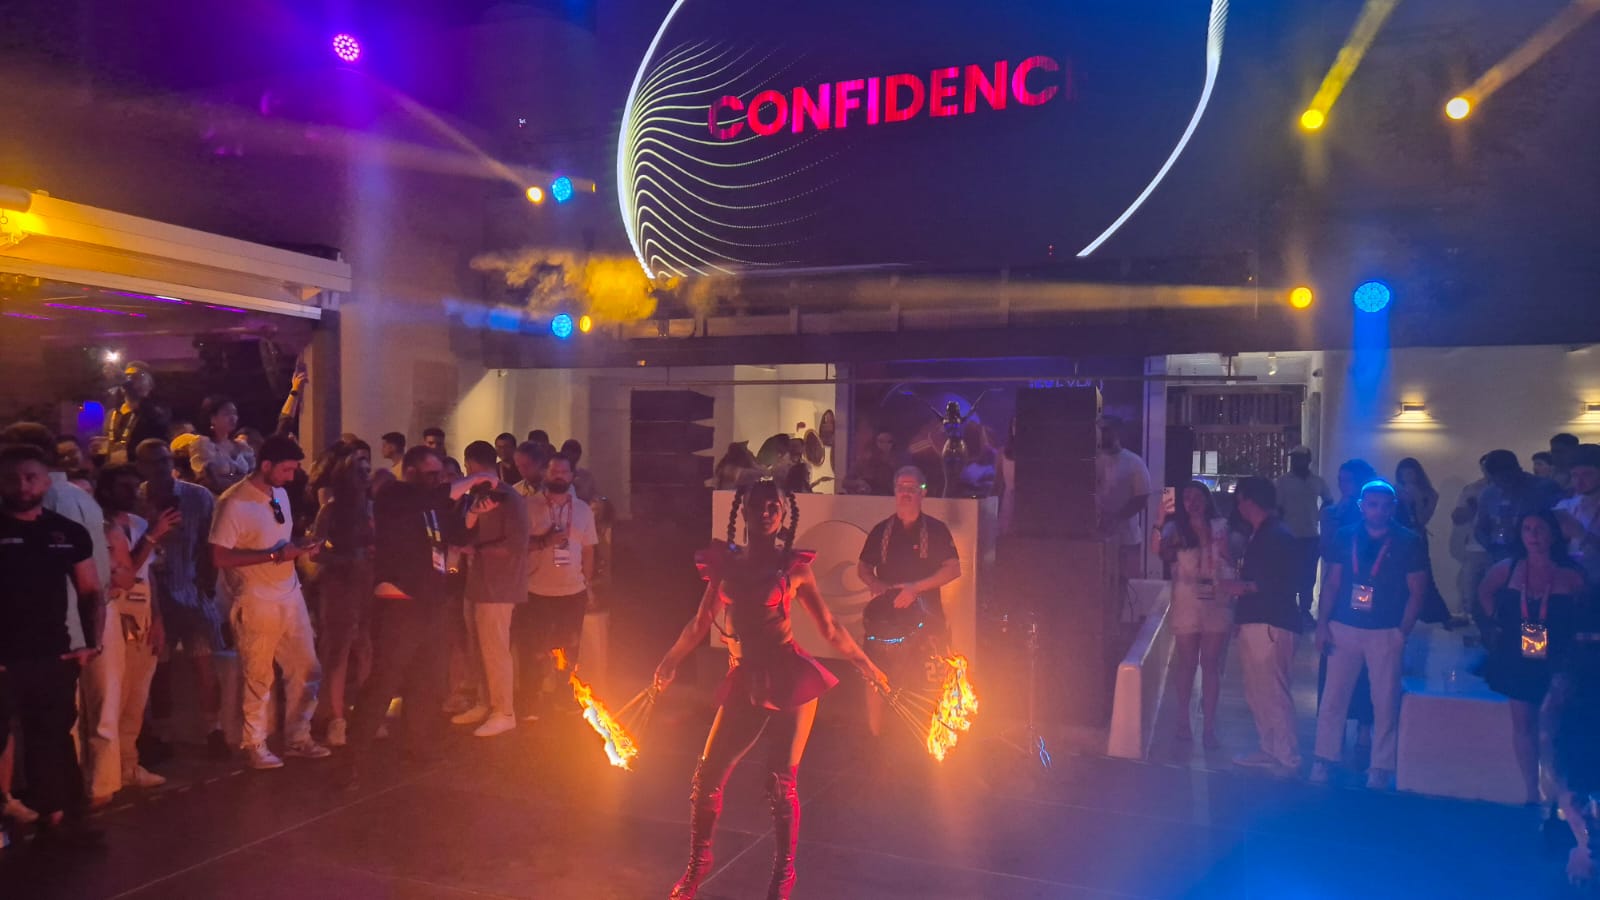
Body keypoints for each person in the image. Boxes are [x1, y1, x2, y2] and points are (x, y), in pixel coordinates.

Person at [654, 480, 890, 900]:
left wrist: (867, 666)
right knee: (706, 779)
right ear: (743, 511)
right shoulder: (726, 564)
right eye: (757, 506)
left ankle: (783, 877)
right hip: (745, 677)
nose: (765, 512)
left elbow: (830, 627)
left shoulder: (793, 569)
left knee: (780, 784)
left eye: (773, 507)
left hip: (789, 676)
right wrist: (670, 660)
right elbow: (700, 622)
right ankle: (698, 865)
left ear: (782, 515)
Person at [344, 446, 476, 785]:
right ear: (413, 471)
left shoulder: (433, 506)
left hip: (430, 602)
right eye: (432, 474)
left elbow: (460, 536)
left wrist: (474, 510)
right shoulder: (395, 495)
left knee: (427, 679)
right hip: (399, 603)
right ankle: (353, 759)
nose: (439, 480)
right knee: (384, 681)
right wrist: (476, 479)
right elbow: (428, 498)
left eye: (441, 474)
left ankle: (417, 746)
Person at [1, 422, 119, 804]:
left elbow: (90, 588)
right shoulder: (76, 501)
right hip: (11, 655)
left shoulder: (64, 524)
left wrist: (90, 642)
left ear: (45, 476)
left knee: (53, 735)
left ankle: (59, 811)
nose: (22, 486)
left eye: (30, 477)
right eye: (12, 478)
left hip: (57, 648)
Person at [209, 436, 331, 769]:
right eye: (287, 470)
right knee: (258, 673)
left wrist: (300, 547)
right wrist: (275, 555)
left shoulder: (280, 494)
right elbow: (219, 557)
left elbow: (279, 540)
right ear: (266, 465)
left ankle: (298, 736)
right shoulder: (234, 503)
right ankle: (254, 742)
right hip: (256, 598)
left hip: (289, 594)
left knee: (306, 667)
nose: (291, 477)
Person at [1312, 480, 1427, 790]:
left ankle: (1380, 766)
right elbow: (1333, 582)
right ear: (1362, 506)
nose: (1379, 511)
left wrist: (1402, 632)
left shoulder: (1408, 541)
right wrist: (1323, 624)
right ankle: (1324, 758)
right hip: (1344, 625)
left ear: (1393, 508)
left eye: (1385, 505)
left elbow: (1417, 591)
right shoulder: (1345, 535)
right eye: (1373, 504)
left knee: (1385, 700)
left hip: (1385, 630)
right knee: (1333, 697)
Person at [1478, 509, 1587, 804]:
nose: (1533, 535)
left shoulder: (1571, 574)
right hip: (1518, 655)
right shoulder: (1508, 568)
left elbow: (1586, 610)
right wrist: (1498, 620)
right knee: (1523, 724)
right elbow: (1484, 592)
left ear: (1552, 534)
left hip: (1558, 657)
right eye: (1527, 529)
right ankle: (1531, 791)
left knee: (1552, 725)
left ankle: (1558, 790)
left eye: (1540, 529)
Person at [134, 438, 230, 759]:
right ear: (141, 467)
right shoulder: (136, 498)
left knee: (204, 663)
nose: (160, 468)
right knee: (158, 670)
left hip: (191, 592)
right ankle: (161, 734)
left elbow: (211, 543)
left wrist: (207, 586)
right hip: (154, 598)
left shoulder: (196, 496)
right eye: (152, 463)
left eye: (164, 461)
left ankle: (214, 730)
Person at [855, 467, 962, 737]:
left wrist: (916, 588)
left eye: (912, 488)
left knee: (930, 682)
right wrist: (874, 583)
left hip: (928, 620)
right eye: (901, 487)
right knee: (875, 679)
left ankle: (932, 739)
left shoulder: (936, 530)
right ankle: (876, 738)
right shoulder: (881, 531)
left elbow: (953, 569)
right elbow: (863, 567)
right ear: (894, 491)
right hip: (885, 624)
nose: (906, 493)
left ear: (922, 492)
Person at [95, 464, 178, 791]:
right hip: (116, 614)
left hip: (143, 613)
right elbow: (125, 571)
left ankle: (129, 764)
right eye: (123, 487)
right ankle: (107, 771)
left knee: (137, 697)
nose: (132, 494)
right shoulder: (102, 526)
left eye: (135, 487)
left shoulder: (140, 523)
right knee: (115, 695)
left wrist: (157, 618)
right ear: (106, 490)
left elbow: (148, 575)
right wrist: (152, 536)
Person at [1225, 477, 1304, 773]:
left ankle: (1286, 755)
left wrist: (1241, 587)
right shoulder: (1266, 533)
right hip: (1259, 620)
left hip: (1271, 623)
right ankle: (1270, 748)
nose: (1238, 507)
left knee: (1272, 691)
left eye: (1240, 500)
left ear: (1248, 501)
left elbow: (1279, 582)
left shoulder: (1276, 535)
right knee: (1259, 691)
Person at [452, 441, 529, 738]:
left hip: (499, 586)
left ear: (471, 464)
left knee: (495, 649)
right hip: (478, 583)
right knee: (479, 647)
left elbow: (517, 544)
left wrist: (476, 549)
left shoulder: (509, 498)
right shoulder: (478, 498)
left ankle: (504, 711)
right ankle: (485, 702)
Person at [516, 453, 599, 721]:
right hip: (536, 590)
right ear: (545, 474)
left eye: (564, 472)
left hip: (572, 592)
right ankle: (529, 700)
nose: (559, 476)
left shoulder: (583, 510)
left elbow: (588, 550)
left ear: (572, 476)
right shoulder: (529, 506)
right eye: (554, 472)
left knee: (569, 649)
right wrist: (544, 541)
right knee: (533, 649)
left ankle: (564, 696)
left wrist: (588, 584)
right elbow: (517, 545)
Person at [1156, 481, 1233, 746]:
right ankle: (1182, 720)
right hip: (1187, 601)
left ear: (1207, 500)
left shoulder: (1220, 526)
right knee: (1187, 664)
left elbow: (1231, 558)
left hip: (1215, 602)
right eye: (1187, 498)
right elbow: (1160, 553)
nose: (1192, 502)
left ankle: (1209, 726)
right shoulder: (1175, 529)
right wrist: (1160, 520)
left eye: (1197, 497)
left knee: (1210, 664)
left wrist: (1208, 538)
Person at [309, 447, 375, 747]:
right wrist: (345, 559)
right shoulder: (331, 510)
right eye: (359, 470)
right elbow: (315, 552)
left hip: (365, 581)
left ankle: (365, 713)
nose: (365, 475)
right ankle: (336, 718)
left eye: (367, 469)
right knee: (338, 651)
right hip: (339, 584)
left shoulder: (370, 507)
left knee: (366, 646)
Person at [1275, 446, 1334, 627]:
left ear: (1308, 460)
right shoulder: (1282, 482)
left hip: (1310, 535)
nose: (1296, 461)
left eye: (1299, 458)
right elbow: (1276, 508)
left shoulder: (1317, 481)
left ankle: (1305, 610)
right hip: (1289, 536)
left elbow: (1329, 500)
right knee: (1288, 574)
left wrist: (1320, 515)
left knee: (1308, 576)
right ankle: (1289, 609)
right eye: (1293, 458)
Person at [1476, 450, 1563, 564]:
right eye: (1497, 481)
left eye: (1507, 478)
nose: (1503, 485)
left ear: (1518, 470)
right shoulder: (1489, 493)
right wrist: (1491, 546)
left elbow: (1558, 526)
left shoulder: (1544, 488)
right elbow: (1481, 528)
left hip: (1539, 560)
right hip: (1500, 559)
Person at [1096, 415, 1153, 585]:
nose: (1102, 434)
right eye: (1100, 430)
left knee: (1124, 587)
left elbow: (1142, 498)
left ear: (1117, 432)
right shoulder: (1093, 460)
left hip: (1127, 540)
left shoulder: (1134, 462)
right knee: (1098, 585)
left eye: (1106, 430)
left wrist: (1116, 518)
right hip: (1097, 538)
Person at [1395, 457, 1450, 625]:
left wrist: (1417, 500)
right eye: (1404, 474)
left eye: (1410, 473)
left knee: (1423, 575)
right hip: (1397, 538)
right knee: (1396, 575)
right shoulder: (1394, 491)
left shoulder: (1430, 494)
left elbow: (1423, 519)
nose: (1407, 477)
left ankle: (1436, 615)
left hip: (1416, 538)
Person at [1449, 455, 1492, 623]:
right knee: (1469, 586)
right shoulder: (1473, 489)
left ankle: (1493, 623)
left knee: (1494, 588)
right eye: (1485, 466)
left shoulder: (1508, 488)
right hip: (1475, 546)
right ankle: (1471, 619)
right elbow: (1457, 518)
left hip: (1500, 547)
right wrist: (1472, 507)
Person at [105, 361, 171, 465]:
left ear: (151, 385)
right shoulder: (112, 414)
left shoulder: (157, 410)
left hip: (144, 471)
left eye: (138, 376)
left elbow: (151, 414)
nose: (130, 379)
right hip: (115, 471)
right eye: (128, 376)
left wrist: (126, 382)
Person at [1555, 445, 1600, 584]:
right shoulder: (1566, 506)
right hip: (1574, 581)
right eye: (1575, 475)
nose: (1579, 482)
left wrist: (1582, 534)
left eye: (1587, 474)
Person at [190, 396, 254, 494]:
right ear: (212, 418)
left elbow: (254, 476)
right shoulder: (203, 444)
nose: (233, 418)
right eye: (227, 413)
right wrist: (242, 481)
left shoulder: (241, 446)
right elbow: (211, 481)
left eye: (234, 413)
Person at [559, 439, 599, 504]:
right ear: (562, 454)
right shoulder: (557, 475)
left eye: (574, 453)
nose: (571, 457)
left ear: (579, 456)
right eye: (568, 454)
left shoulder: (586, 476)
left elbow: (594, 498)